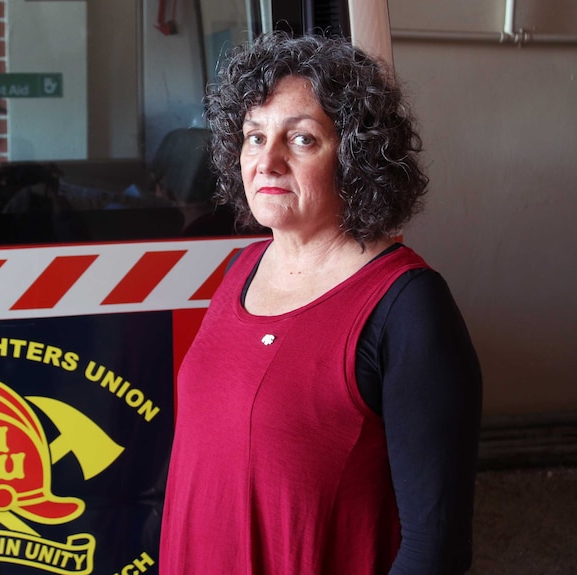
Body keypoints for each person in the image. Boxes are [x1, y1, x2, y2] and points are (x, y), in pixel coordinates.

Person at [159, 32, 482, 574]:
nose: (268, 161)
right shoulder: (244, 268)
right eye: (254, 137)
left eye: (302, 139)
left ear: (355, 159)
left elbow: (436, 549)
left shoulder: (408, 308)